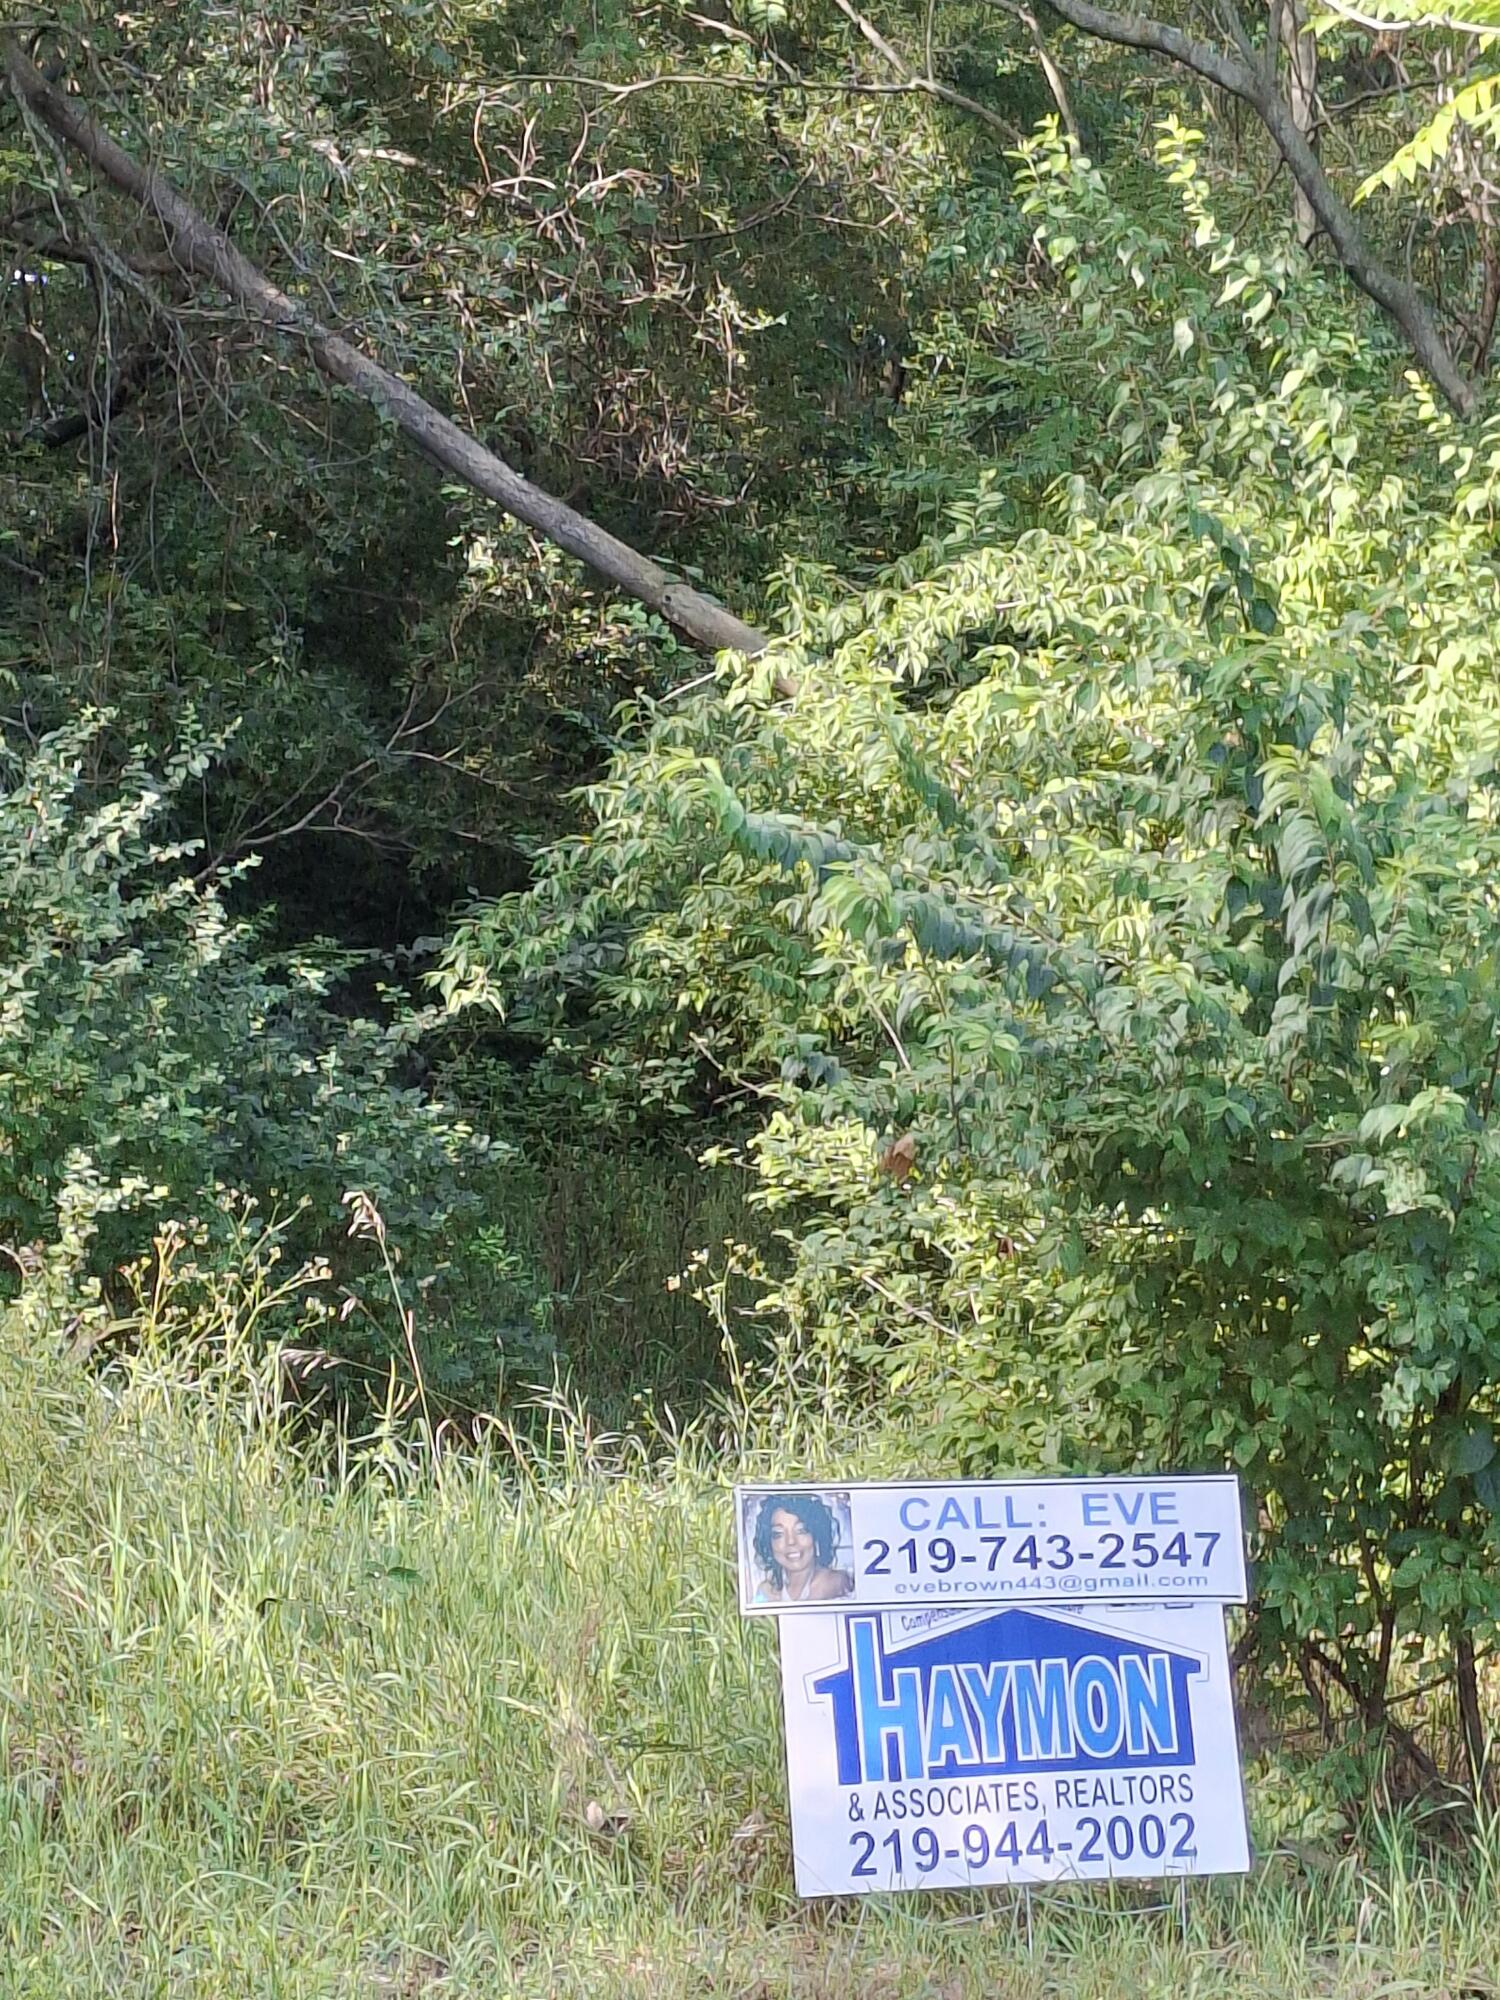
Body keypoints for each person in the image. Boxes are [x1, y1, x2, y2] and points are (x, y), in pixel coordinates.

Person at [750, 1492, 854, 1605]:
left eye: (801, 1531)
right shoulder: (766, 1592)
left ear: (816, 1537)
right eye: (778, 1534)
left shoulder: (836, 1583)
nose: (791, 1541)